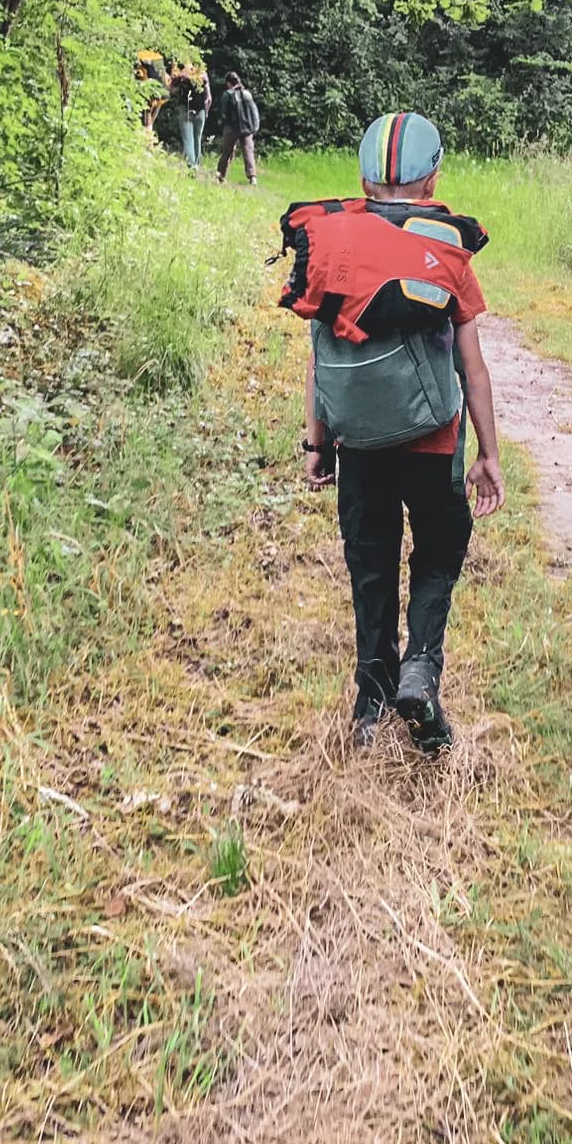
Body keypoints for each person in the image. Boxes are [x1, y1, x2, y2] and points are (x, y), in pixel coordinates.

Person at [279, 112, 506, 753]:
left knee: (370, 565)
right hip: (434, 443)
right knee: (439, 549)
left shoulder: (329, 245)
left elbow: (321, 356)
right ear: (432, 178)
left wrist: (317, 442)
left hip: (359, 446)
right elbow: (474, 367)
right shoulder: (449, 253)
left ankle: (369, 706)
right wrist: (487, 455)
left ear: (362, 177)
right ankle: (421, 672)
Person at [214, 70, 261, 185]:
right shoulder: (247, 93)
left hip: (231, 127)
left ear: (229, 83)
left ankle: (221, 175)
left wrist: (222, 122)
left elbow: (223, 113)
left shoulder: (227, 94)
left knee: (227, 152)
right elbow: (253, 111)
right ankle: (252, 177)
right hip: (247, 127)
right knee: (248, 151)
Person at [172, 66, 210, 170]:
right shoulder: (203, 76)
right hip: (200, 110)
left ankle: (191, 164)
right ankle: (196, 163)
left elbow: (172, 90)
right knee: (197, 137)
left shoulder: (181, 77)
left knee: (188, 138)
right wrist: (206, 112)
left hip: (186, 109)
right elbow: (208, 98)